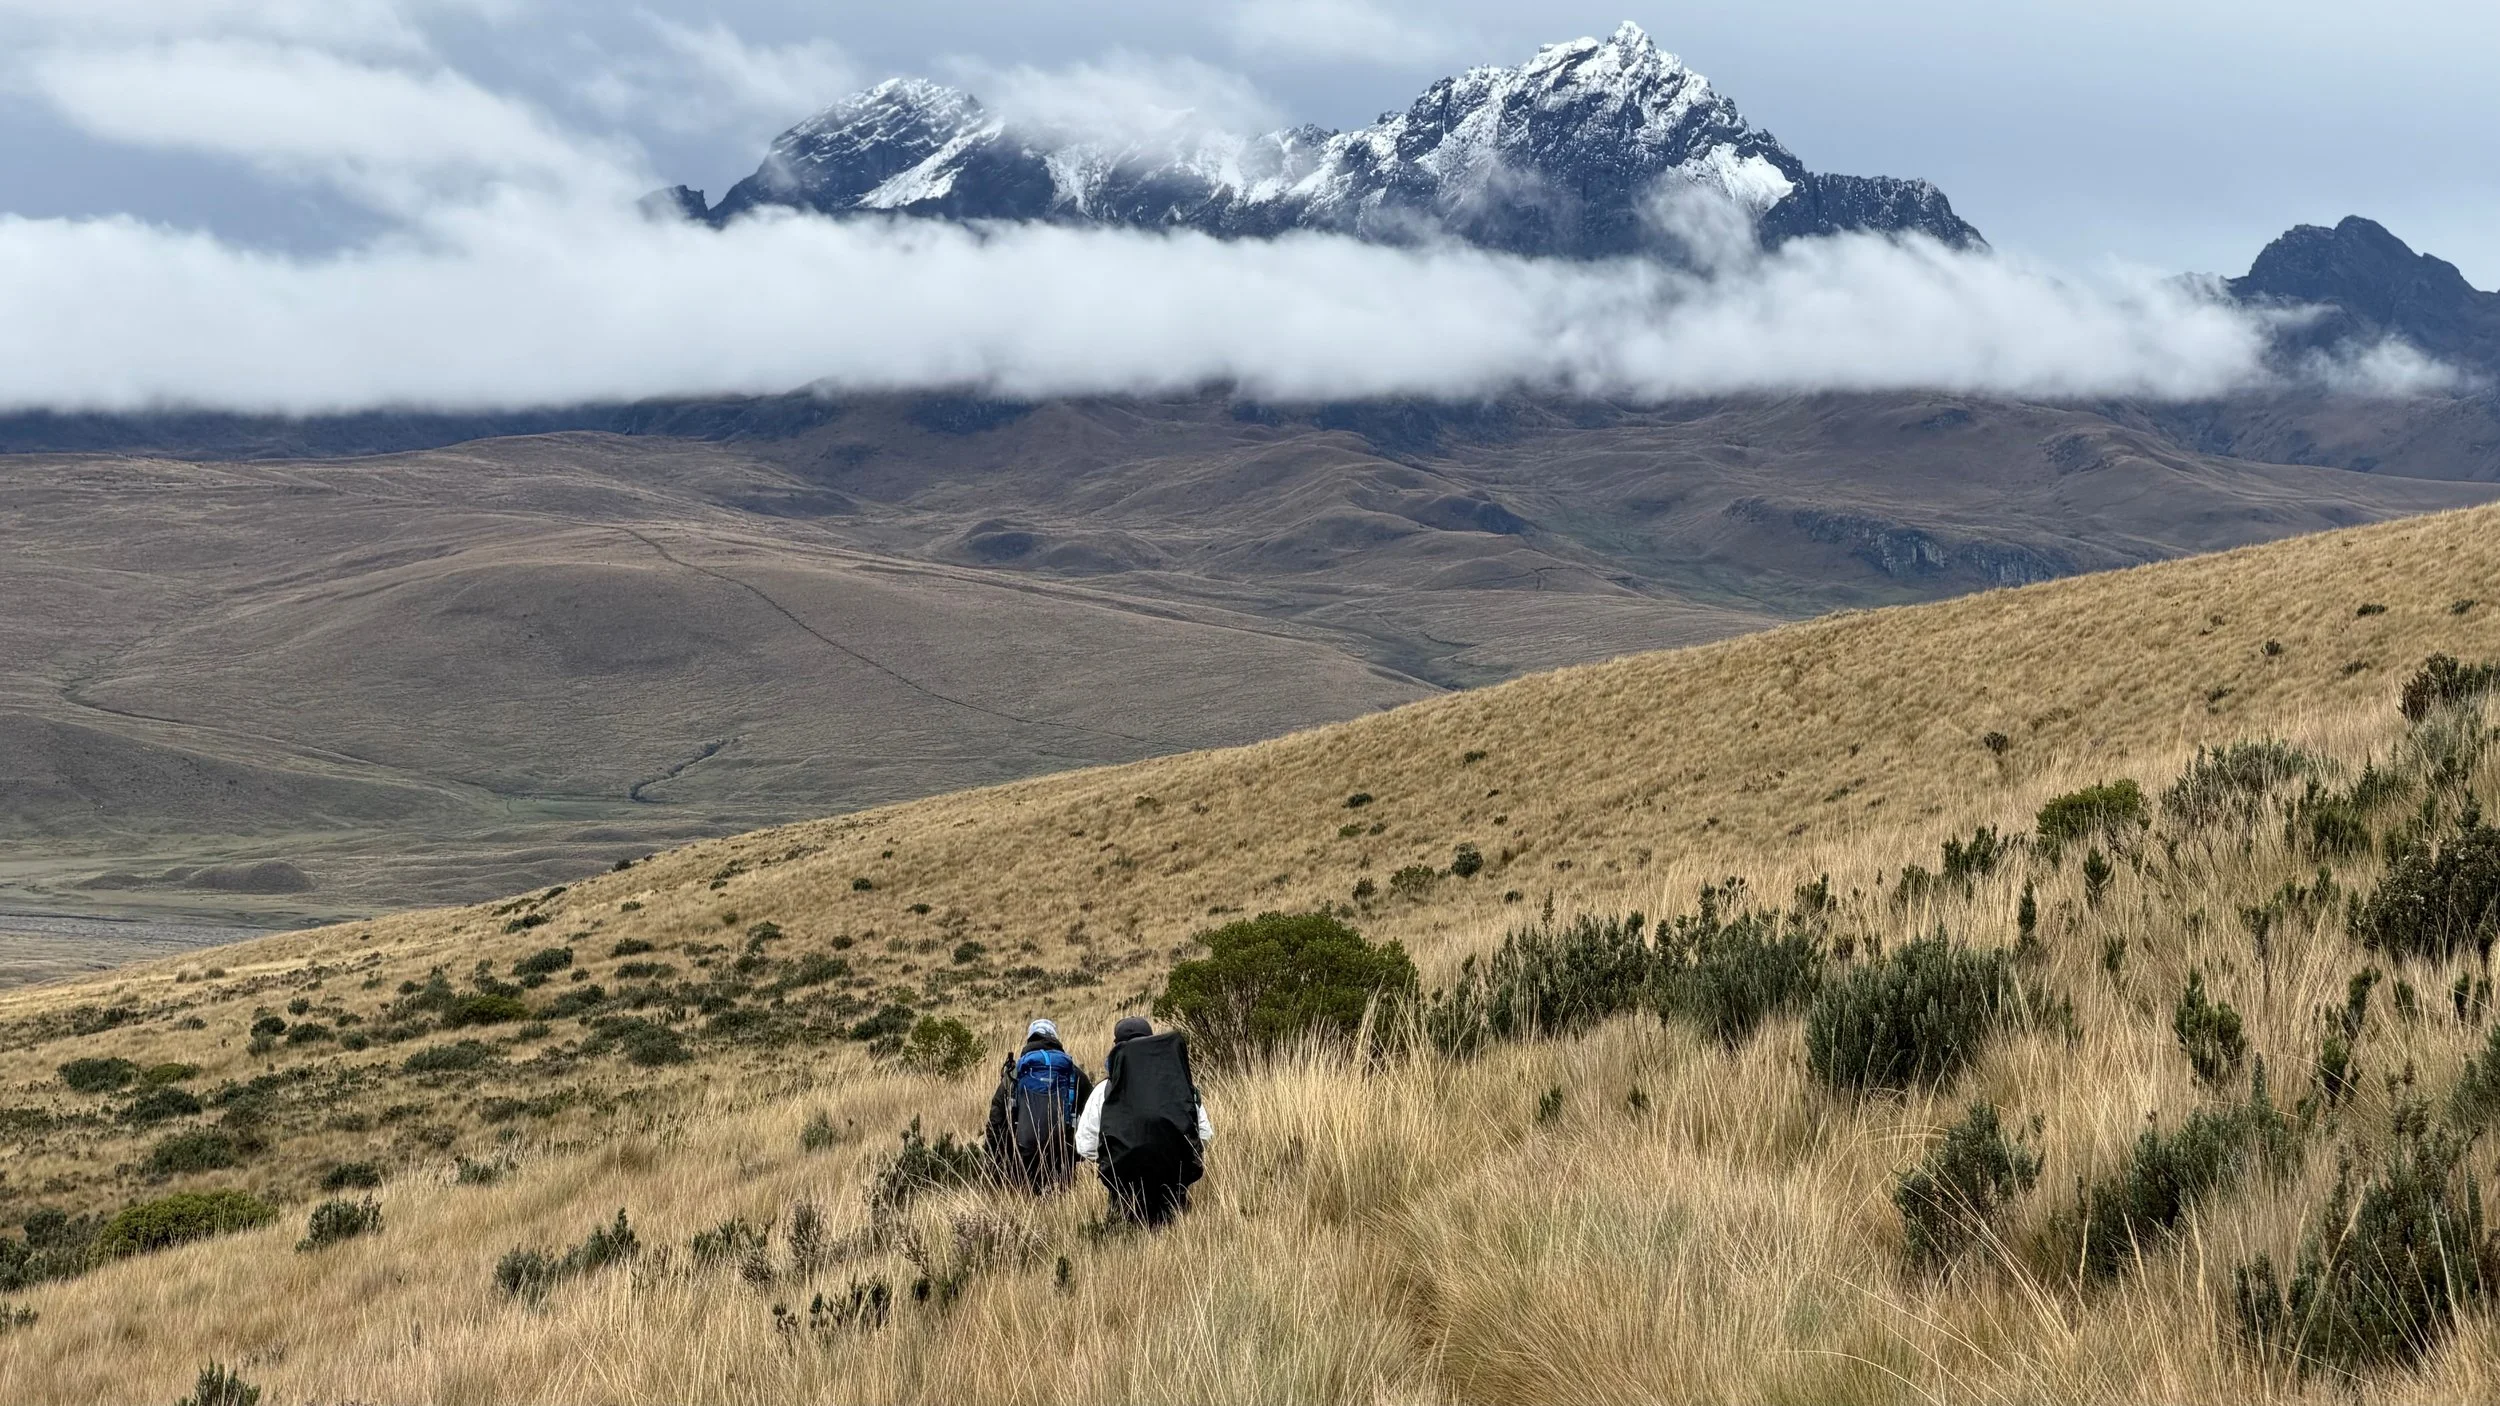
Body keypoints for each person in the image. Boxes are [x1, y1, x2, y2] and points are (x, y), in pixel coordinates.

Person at [1075, 1016, 1213, 1227]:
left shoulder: (1104, 1091)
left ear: (1117, 1051)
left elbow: (1085, 1146)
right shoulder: (1181, 1089)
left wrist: (1112, 1158)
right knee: (1174, 1233)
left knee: (1126, 1238)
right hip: (1173, 1185)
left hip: (1124, 1191)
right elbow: (1204, 1134)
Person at [984, 1018, 1091, 1193]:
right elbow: (1090, 1115)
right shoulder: (1073, 1073)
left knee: (1025, 1206)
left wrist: (995, 1159)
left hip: (1022, 1157)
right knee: (1061, 1210)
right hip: (1062, 1158)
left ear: (1029, 1039)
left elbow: (996, 1119)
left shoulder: (1015, 1073)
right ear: (1055, 1038)